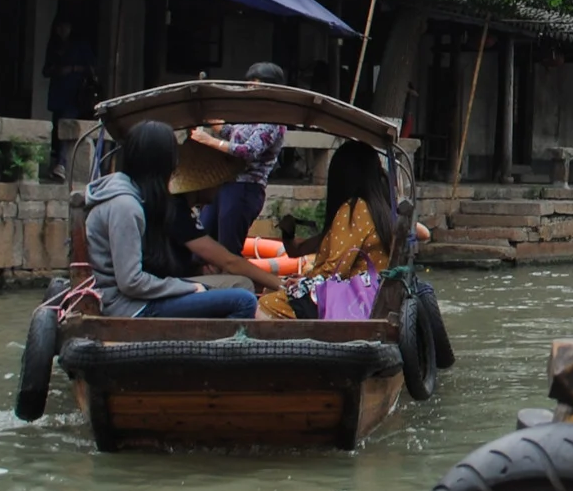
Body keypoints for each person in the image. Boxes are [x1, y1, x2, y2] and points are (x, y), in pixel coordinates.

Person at [84, 120, 279, 319]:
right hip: (130, 307)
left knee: (239, 290)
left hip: (140, 298)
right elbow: (131, 282)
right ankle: (211, 349)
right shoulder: (124, 205)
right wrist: (186, 287)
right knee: (243, 300)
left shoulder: (137, 198)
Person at [255, 139, 428, 317]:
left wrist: (305, 282)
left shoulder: (354, 210)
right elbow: (297, 251)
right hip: (376, 296)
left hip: (353, 299)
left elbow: (336, 271)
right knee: (273, 289)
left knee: (264, 304)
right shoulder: (379, 211)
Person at [190, 62, 288, 250]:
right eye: (249, 84)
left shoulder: (273, 119)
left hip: (244, 187)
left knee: (227, 247)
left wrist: (209, 141)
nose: (250, 89)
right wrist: (207, 115)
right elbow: (230, 132)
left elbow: (248, 151)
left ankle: (231, 280)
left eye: (255, 85)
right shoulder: (249, 114)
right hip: (223, 183)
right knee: (202, 239)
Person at [43, 17, 97, 123]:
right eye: (59, 27)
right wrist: (57, 70)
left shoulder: (80, 45)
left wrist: (72, 69)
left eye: (65, 26)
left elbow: (92, 69)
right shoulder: (54, 46)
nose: (62, 30)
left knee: (68, 124)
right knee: (57, 127)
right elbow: (45, 71)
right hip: (58, 96)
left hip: (75, 95)